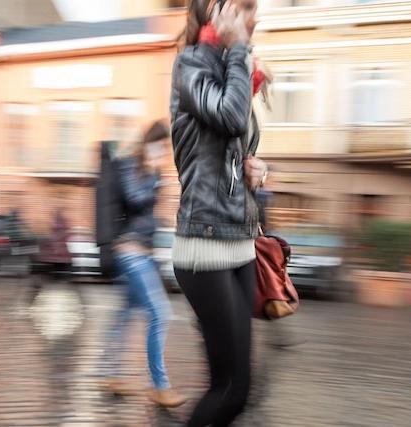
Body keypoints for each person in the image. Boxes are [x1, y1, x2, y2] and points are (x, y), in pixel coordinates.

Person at [170, 0, 270, 424]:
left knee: (238, 391)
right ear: (218, 10)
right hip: (204, 243)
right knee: (226, 389)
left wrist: (258, 168)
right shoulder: (192, 64)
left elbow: (237, 144)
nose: (256, 17)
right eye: (247, 7)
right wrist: (239, 50)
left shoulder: (235, 68)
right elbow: (229, 117)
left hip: (240, 243)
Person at [100, 121, 186, 408]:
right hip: (130, 251)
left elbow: (151, 212)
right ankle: (160, 386)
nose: (164, 151)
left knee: (125, 314)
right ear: (149, 142)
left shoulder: (155, 171)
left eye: (166, 147)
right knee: (160, 313)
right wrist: (151, 172)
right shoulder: (130, 166)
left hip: (145, 251)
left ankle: (109, 373)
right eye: (160, 145)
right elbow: (135, 198)